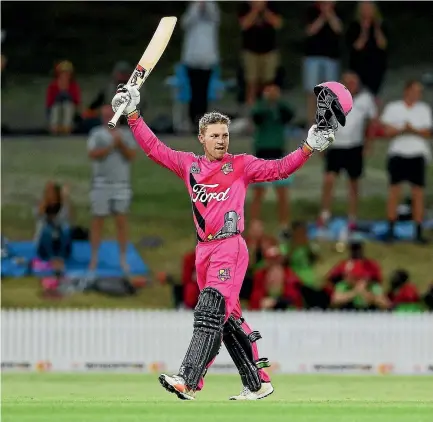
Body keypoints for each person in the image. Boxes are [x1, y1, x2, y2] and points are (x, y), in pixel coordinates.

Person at [111, 82, 346, 401]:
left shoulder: (241, 165)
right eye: (215, 135)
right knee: (229, 321)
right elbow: (154, 149)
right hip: (203, 251)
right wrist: (133, 114)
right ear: (202, 138)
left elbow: (278, 169)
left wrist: (307, 146)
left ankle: (188, 379)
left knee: (209, 310)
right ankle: (258, 382)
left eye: (225, 135)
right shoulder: (189, 166)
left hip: (230, 247)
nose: (222, 141)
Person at [318, 71, 377, 229]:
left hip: (354, 145)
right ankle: (325, 213)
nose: (352, 86)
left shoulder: (366, 99)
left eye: (354, 82)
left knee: (353, 183)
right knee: (329, 180)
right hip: (336, 145)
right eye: (348, 82)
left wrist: (369, 143)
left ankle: (352, 216)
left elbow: (371, 121)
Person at [87, 105, 138, 274]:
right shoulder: (96, 134)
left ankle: (123, 259)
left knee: (121, 222)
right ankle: (94, 258)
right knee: (97, 221)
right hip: (101, 184)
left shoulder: (127, 135)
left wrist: (120, 144)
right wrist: (111, 146)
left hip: (121, 184)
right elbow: (92, 154)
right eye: (105, 115)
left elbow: (131, 156)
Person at [380, 80, 432, 244]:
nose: (418, 94)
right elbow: (386, 130)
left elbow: (427, 132)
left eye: (419, 92)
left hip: (417, 154)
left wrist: (412, 130)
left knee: (418, 192)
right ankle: (391, 228)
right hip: (398, 153)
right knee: (394, 191)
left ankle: (417, 231)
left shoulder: (423, 109)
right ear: (407, 91)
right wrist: (403, 129)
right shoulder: (394, 108)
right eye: (415, 91)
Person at [249, 83, 295, 237]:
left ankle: (284, 225)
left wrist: (278, 101)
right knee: (258, 192)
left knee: (282, 192)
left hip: (279, 153)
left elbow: (290, 114)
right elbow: (256, 116)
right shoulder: (260, 108)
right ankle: (254, 224)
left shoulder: (281, 109)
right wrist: (266, 102)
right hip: (262, 153)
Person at [181, 1, 220, 127]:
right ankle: (193, 120)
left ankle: (203, 119)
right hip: (192, 59)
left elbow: (215, 17)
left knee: (204, 92)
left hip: (208, 59)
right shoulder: (192, 9)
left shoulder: (212, 9)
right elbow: (185, 23)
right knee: (193, 91)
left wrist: (206, 5)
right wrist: (197, 6)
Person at [304, 1, 343, 125]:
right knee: (312, 91)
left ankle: (328, 120)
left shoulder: (338, 11)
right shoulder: (311, 10)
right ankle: (311, 121)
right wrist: (322, 16)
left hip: (331, 57)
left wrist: (330, 14)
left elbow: (338, 29)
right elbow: (310, 31)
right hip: (312, 57)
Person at [238, 1, 283, 106]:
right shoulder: (245, 5)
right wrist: (255, 10)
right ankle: (251, 113)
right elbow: (244, 24)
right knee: (251, 83)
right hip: (250, 51)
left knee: (269, 84)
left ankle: (268, 111)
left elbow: (278, 23)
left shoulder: (272, 5)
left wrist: (264, 10)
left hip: (269, 51)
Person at [346, 1, 388, 98]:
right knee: (357, 94)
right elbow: (357, 46)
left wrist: (377, 28)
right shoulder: (354, 26)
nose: (367, 11)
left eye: (369, 9)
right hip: (358, 66)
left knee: (374, 95)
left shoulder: (380, 25)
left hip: (376, 66)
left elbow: (383, 44)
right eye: (364, 9)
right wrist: (364, 30)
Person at [34, 181, 73, 275]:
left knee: (66, 229)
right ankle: (53, 259)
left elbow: (69, 219)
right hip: (45, 247)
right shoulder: (41, 206)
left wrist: (65, 199)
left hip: (60, 245)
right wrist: (44, 203)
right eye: (48, 193)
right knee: (47, 230)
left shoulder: (63, 206)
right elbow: (39, 217)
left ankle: (60, 258)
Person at [45, 60, 81, 135]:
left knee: (67, 106)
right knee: (56, 107)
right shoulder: (52, 86)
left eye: (68, 73)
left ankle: (67, 127)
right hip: (55, 109)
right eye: (63, 73)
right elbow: (49, 103)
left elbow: (77, 101)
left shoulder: (74, 86)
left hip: (70, 110)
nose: (65, 75)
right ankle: (54, 127)